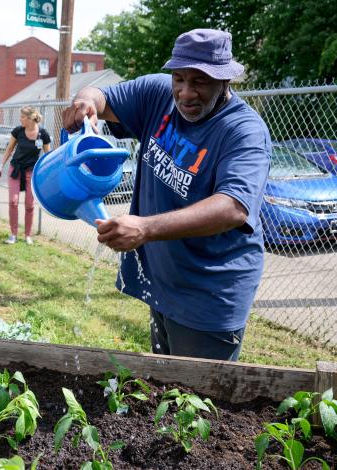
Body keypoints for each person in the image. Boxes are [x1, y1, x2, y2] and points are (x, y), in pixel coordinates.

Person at [62, 29, 271, 361]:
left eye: (199, 82)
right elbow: (101, 96)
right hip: (164, 282)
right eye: (179, 78)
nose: (185, 93)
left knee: (195, 403)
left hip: (209, 295)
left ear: (225, 82)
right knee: (165, 393)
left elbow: (233, 207)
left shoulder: (243, 131)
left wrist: (145, 228)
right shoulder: (157, 94)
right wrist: (86, 101)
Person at [0, 106, 51, 245]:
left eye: (22, 117)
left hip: (32, 172)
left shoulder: (42, 134)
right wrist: (1, 166)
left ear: (30, 118)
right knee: (13, 202)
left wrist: (46, 174)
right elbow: (9, 149)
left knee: (29, 205)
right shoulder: (18, 131)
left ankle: (27, 235)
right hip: (16, 169)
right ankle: (13, 234)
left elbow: (47, 156)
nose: (20, 119)